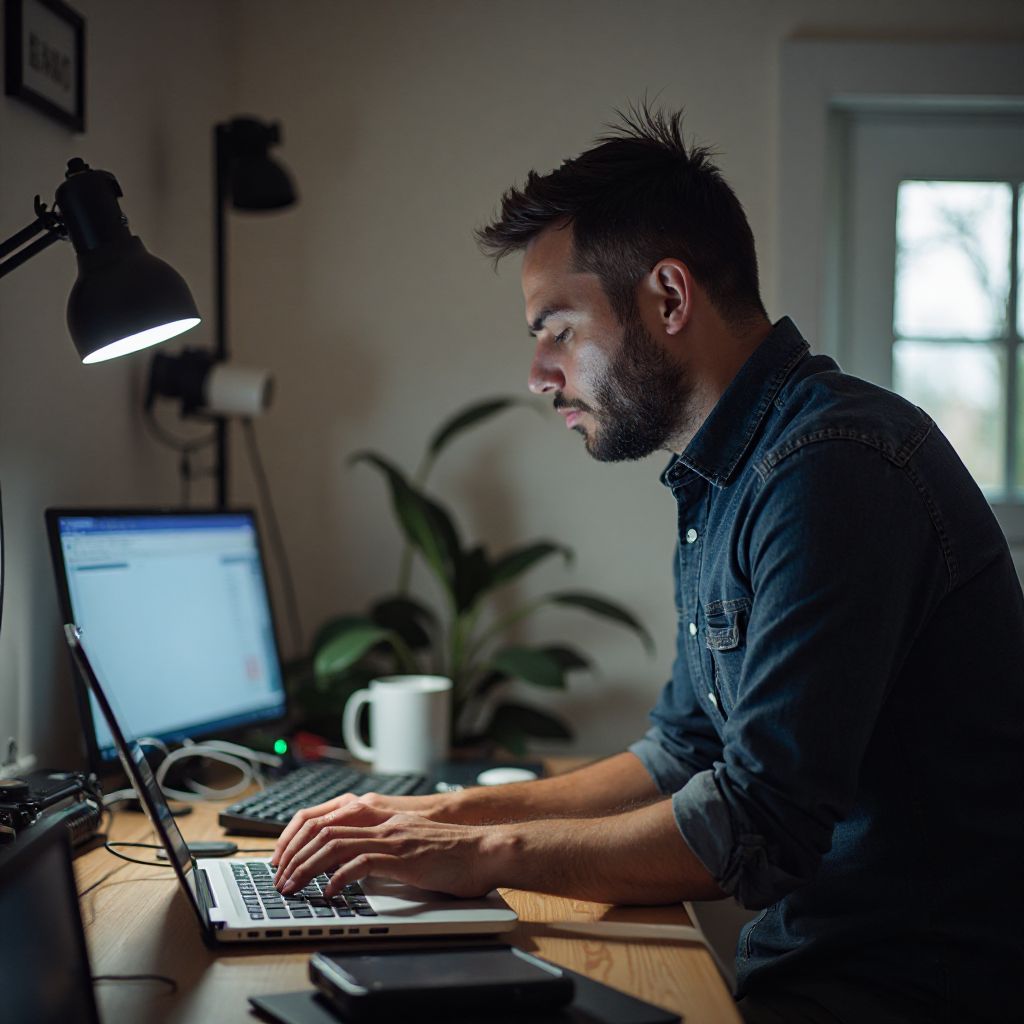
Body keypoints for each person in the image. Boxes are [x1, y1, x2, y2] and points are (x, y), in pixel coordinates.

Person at [272, 107, 1024, 1022]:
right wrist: (447, 817)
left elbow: (760, 823)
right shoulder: (728, 473)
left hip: (909, 989)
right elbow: (684, 751)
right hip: (825, 965)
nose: (538, 374)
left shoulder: (832, 469)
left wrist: (485, 855)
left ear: (669, 298)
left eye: (558, 328)